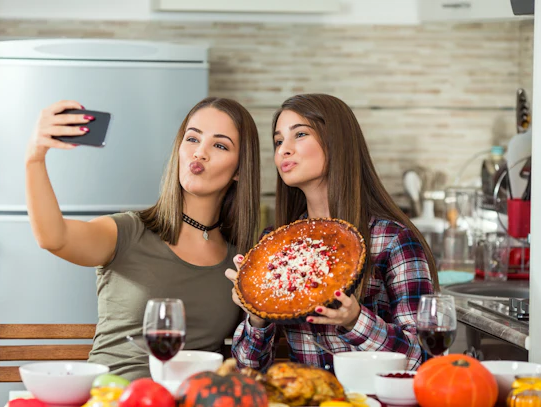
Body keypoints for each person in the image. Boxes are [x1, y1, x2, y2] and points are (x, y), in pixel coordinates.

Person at [26, 97, 260, 380]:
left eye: (220, 145)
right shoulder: (128, 231)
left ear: (238, 170)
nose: (200, 153)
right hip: (114, 397)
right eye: (192, 139)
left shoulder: (240, 263)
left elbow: (249, 358)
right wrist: (35, 157)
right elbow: (54, 238)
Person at [226, 93, 439, 372]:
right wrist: (257, 316)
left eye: (299, 134)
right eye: (278, 141)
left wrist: (355, 320)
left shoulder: (393, 240)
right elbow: (247, 368)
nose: (283, 150)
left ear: (336, 142)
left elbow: (427, 361)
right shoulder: (275, 246)